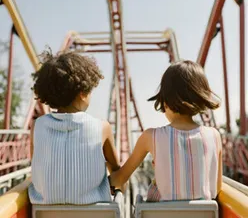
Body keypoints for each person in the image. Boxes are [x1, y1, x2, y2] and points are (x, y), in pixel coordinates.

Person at [109, 60, 222, 202]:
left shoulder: (151, 137)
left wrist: (107, 167)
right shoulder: (215, 136)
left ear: (165, 100)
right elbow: (216, 188)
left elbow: (120, 179)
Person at [28, 49, 120, 204]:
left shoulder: (37, 126)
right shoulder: (102, 127)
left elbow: (37, 166)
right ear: (82, 93)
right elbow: (116, 169)